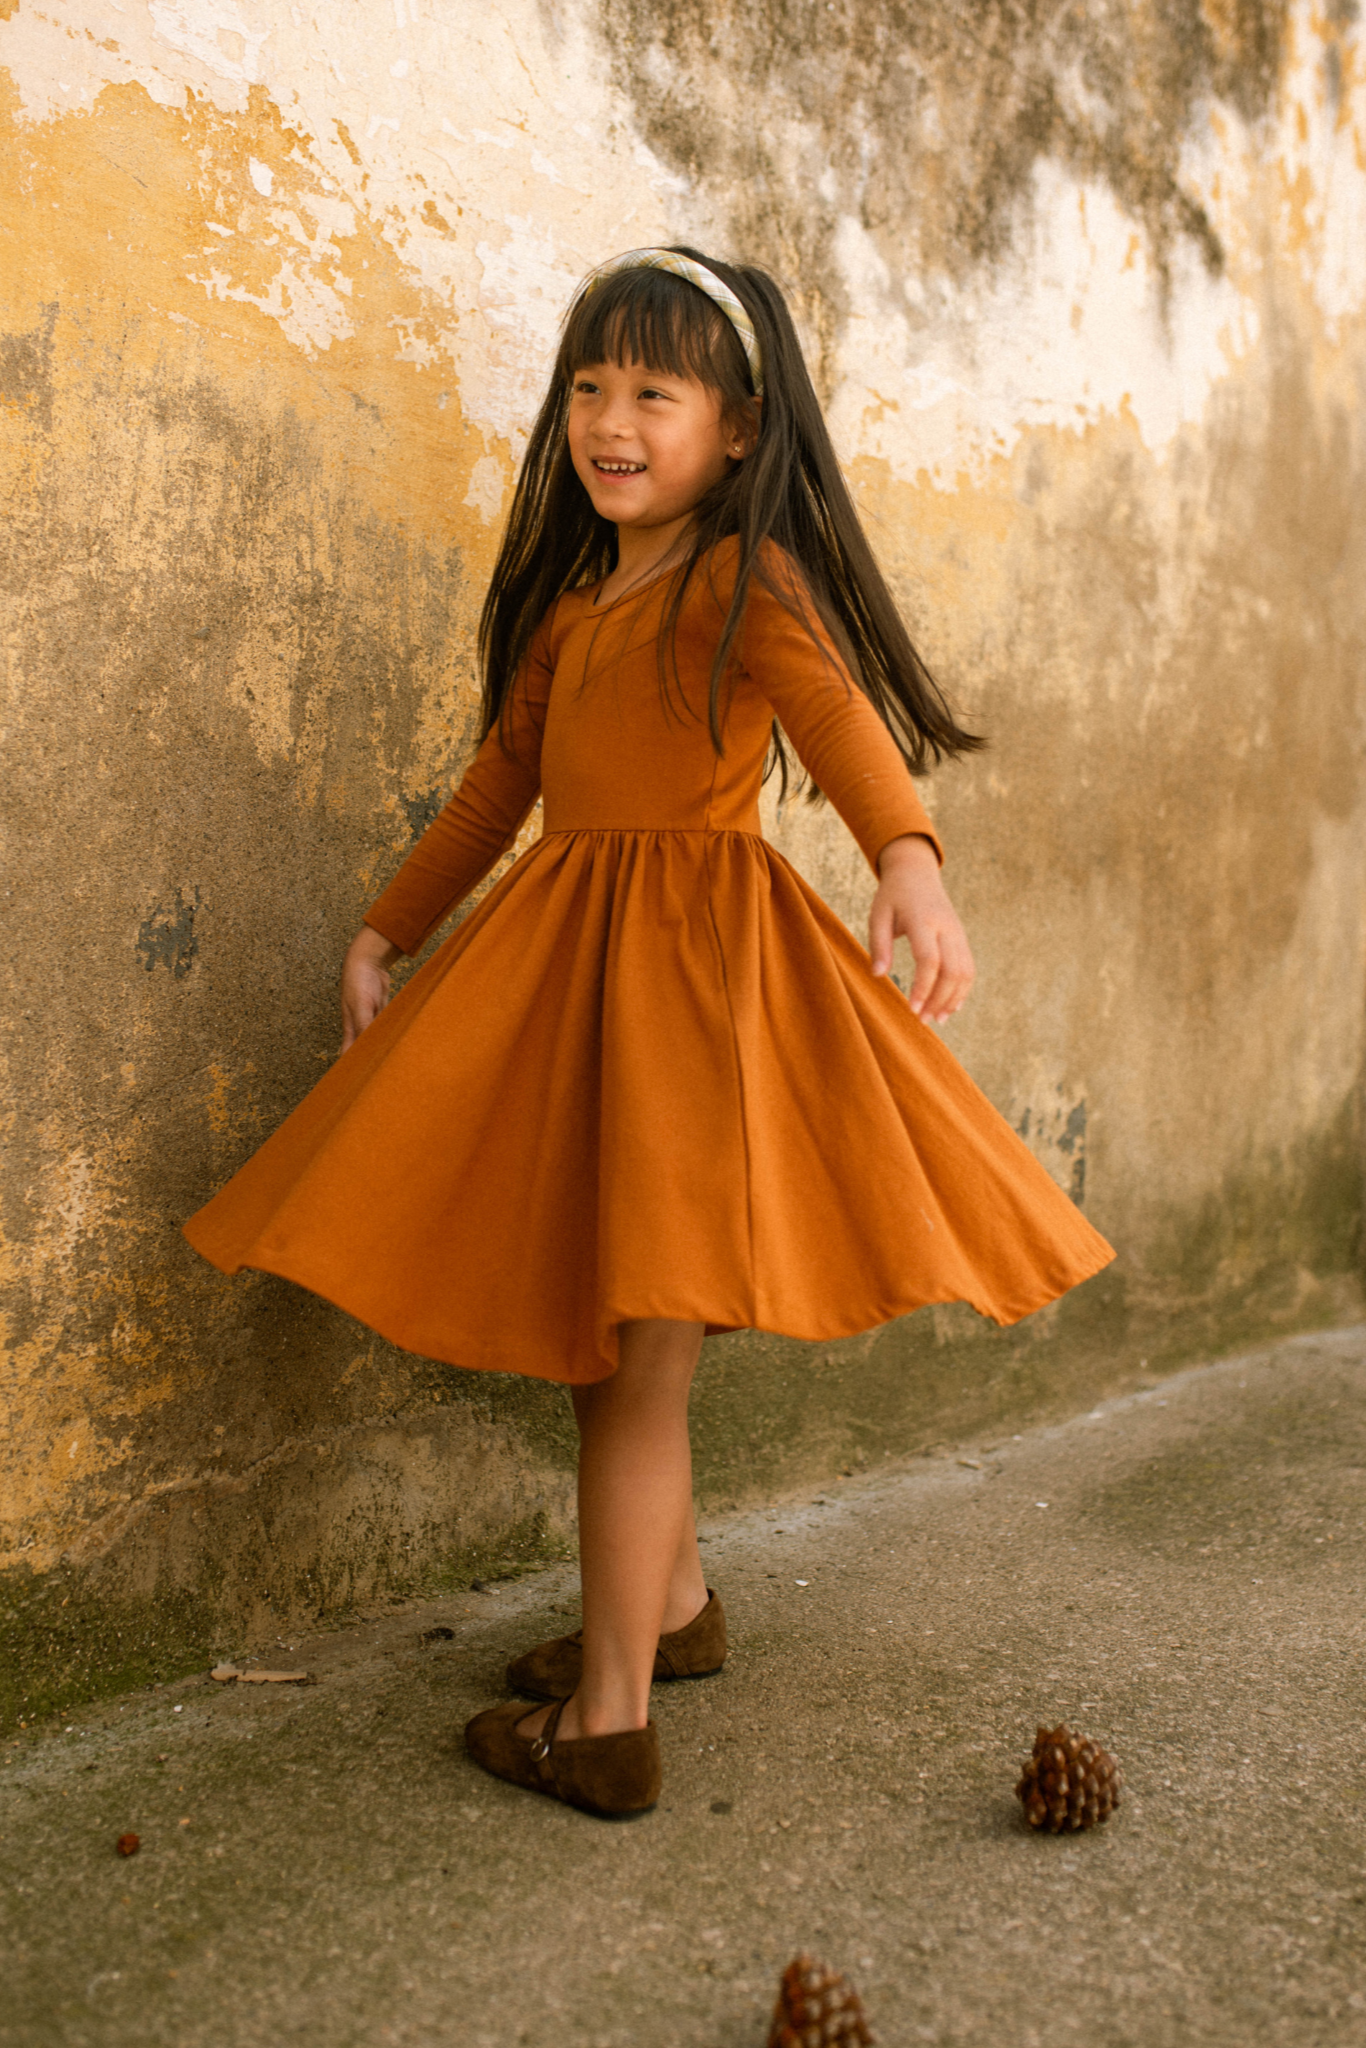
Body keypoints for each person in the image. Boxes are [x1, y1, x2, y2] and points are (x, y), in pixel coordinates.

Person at [185, 246, 1113, 1820]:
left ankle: (606, 1726)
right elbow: (501, 786)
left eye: (653, 393)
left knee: (629, 1368)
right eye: (588, 388)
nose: (609, 419)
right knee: (595, 1344)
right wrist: (384, 928)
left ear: (738, 430)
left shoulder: (740, 588)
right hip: (573, 986)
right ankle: (668, 1616)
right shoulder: (575, 607)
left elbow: (834, 724)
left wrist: (909, 865)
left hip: (687, 1005)